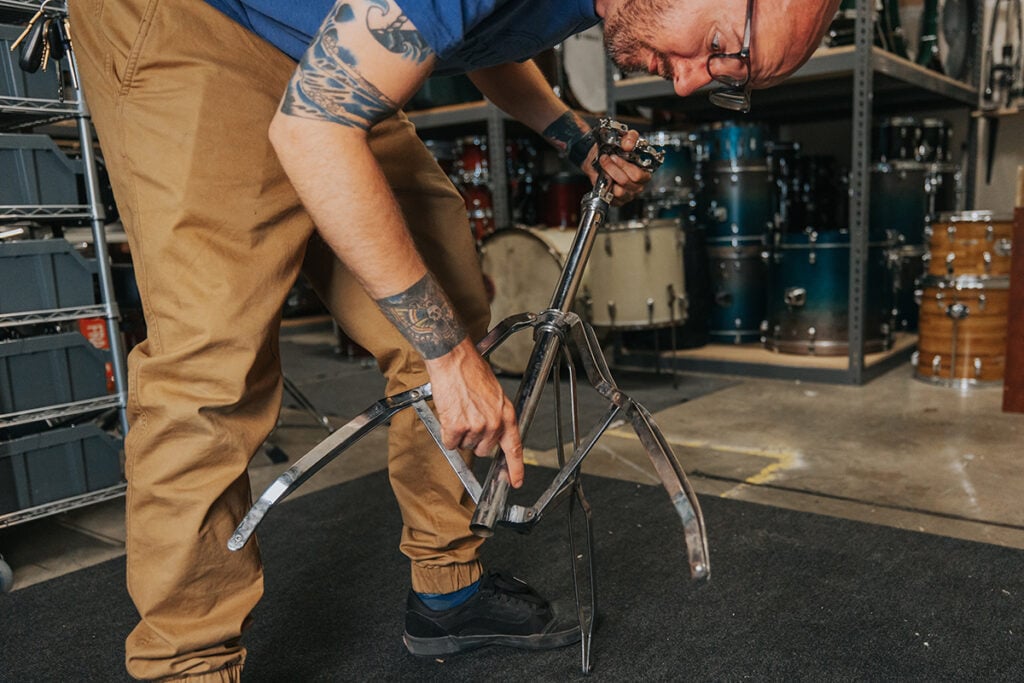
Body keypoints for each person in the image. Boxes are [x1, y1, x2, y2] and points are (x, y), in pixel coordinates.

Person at [68, 0, 839, 679]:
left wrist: (573, 135)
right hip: (194, 23)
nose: (689, 83)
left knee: (454, 302)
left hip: (325, 37)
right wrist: (445, 359)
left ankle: (446, 592)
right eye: (721, 49)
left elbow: (487, 32)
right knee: (215, 361)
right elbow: (314, 127)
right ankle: (187, 663)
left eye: (729, 77)